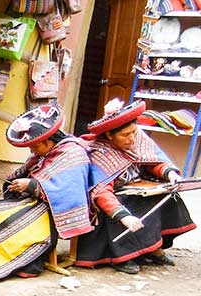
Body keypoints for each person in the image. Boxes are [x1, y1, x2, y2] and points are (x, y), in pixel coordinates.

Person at [0, 104, 93, 284]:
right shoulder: (43, 153)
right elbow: (28, 171)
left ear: (49, 141)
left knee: (13, 223)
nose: (32, 151)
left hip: (55, 210)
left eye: (35, 147)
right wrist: (16, 183)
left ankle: (6, 263)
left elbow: (68, 191)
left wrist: (31, 185)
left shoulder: (73, 153)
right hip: (36, 201)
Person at [75, 99, 196, 274]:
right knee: (128, 207)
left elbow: (151, 161)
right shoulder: (99, 152)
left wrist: (170, 174)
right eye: (125, 135)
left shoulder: (138, 138)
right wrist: (124, 216)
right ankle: (122, 256)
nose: (132, 138)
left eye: (133, 132)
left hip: (136, 187)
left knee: (166, 196)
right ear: (110, 135)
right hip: (111, 197)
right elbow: (102, 192)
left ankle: (153, 248)